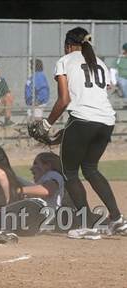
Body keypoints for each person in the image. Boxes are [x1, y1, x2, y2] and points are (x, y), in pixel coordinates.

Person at [32, 27, 127, 237]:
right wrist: (60, 136)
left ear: (68, 45)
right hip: (106, 122)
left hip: (83, 120)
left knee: (70, 173)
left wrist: (46, 125)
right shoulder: (99, 62)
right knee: (90, 168)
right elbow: (90, 104)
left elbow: (65, 100)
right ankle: (117, 219)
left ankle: (88, 225)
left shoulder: (65, 60)